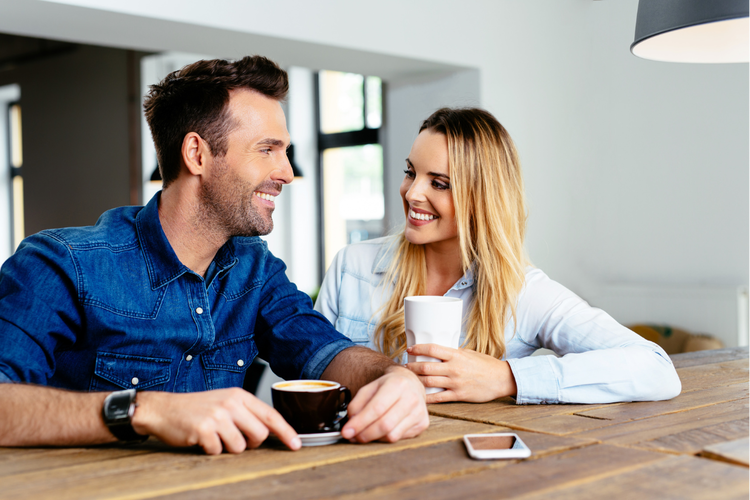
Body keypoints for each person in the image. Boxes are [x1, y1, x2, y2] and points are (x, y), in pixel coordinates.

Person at [0, 56, 428, 454]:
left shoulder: (253, 268)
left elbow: (324, 351)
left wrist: (393, 377)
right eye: (267, 149)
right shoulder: (61, 264)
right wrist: (143, 410)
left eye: (285, 151)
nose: (286, 172)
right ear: (197, 154)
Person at [315, 107, 681, 405]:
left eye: (439, 183)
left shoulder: (523, 292)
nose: (412, 193)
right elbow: (306, 373)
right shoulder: (354, 266)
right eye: (411, 173)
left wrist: (506, 378)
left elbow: (655, 368)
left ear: (483, 197)